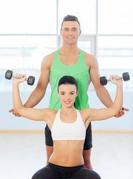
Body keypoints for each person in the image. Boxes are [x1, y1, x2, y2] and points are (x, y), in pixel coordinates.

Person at [10, 15, 128, 169]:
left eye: (74, 29)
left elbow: (99, 87)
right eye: (66, 29)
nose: (70, 32)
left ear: (80, 32)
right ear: (61, 31)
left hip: (82, 119)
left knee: (86, 162)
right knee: (51, 162)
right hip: (54, 118)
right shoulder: (49, 59)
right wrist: (23, 108)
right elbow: (40, 89)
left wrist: (114, 108)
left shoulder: (89, 60)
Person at [12, 74, 123, 179]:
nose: (67, 97)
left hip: (77, 170)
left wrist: (119, 86)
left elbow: (114, 110)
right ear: (58, 94)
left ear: (76, 94)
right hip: (54, 169)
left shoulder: (85, 115)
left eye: (71, 93)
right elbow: (19, 109)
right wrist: (15, 84)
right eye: (63, 93)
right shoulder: (50, 115)